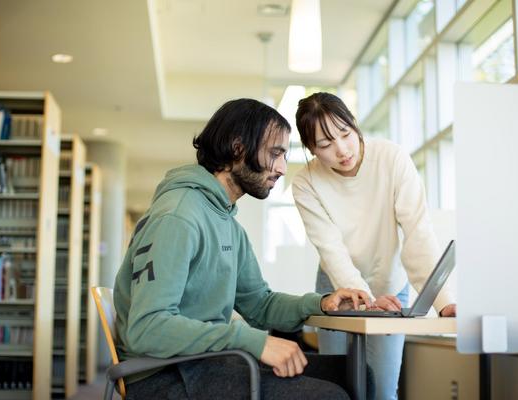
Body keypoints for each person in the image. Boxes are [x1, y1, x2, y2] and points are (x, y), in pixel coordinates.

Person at [113, 98, 376, 400]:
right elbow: (148, 328)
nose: (281, 168)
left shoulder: (227, 223)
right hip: (164, 374)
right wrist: (252, 341)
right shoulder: (178, 216)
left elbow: (259, 305)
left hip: (207, 363)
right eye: (275, 154)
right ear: (238, 148)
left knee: (357, 375)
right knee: (329, 396)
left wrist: (323, 303)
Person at [292, 92, 456, 400]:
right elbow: (330, 249)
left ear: (354, 125)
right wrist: (363, 298)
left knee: (382, 388)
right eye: (325, 145)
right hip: (338, 286)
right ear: (311, 148)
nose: (342, 150)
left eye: (345, 134)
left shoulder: (391, 158)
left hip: (391, 284)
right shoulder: (306, 182)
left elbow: (417, 230)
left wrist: (443, 300)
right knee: (339, 385)